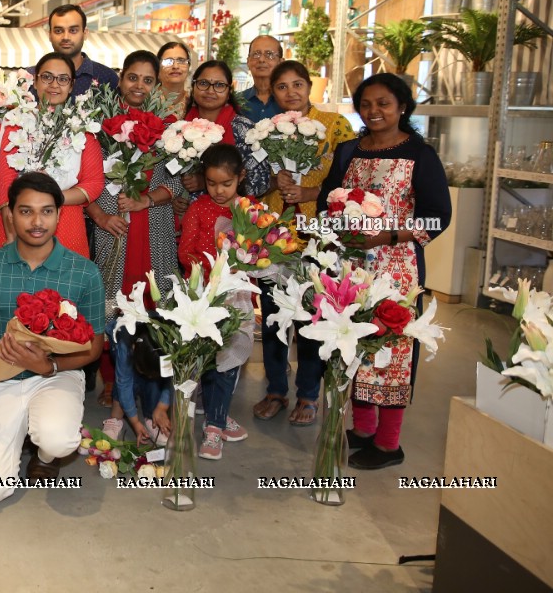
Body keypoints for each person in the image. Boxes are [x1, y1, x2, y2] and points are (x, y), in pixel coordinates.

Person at [319, 74, 451, 470]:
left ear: (403, 108)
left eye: (384, 104)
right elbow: (328, 199)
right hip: (351, 265)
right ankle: (362, 430)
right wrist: (334, 226)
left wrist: (387, 235)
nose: (374, 112)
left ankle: (389, 444)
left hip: (397, 268)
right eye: (366, 104)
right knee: (353, 344)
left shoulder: (420, 155)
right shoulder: (347, 151)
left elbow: (438, 216)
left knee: (391, 350)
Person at [0, 173, 105, 501]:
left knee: (59, 439)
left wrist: (50, 367)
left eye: (46, 211)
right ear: (10, 214)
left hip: (57, 375)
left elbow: (95, 346)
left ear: (60, 214)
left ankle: (45, 455)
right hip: (0, 379)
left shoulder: (84, 271)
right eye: (26, 211)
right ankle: (16, 435)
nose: (37, 221)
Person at [253, 60, 356, 427]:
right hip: (277, 233)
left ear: (310, 87)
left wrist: (311, 190)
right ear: (273, 92)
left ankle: (309, 393)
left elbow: (350, 182)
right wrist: (273, 181)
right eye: (282, 87)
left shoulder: (335, 127)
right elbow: (253, 185)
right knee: (275, 316)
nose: (291, 93)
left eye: (298, 84)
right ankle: (276, 388)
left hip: (319, 233)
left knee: (312, 315)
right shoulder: (268, 130)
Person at [87, 50, 181, 415]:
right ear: (120, 79)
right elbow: (85, 178)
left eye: (147, 79)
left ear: (156, 84)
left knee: (157, 305)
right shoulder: (99, 124)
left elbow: (179, 185)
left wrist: (148, 201)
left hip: (153, 226)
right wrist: (97, 215)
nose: (138, 85)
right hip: (112, 226)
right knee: (112, 300)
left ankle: (156, 380)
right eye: (132, 77)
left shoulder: (170, 126)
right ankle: (112, 381)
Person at [178, 143, 253, 460]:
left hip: (236, 298)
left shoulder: (251, 211)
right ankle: (213, 412)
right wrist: (212, 272)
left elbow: (259, 253)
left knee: (229, 362)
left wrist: (241, 267)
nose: (218, 191)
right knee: (204, 359)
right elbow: (185, 250)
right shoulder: (198, 208)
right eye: (211, 184)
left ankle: (214, 427)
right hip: (202, 295)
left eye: (226, 183)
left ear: (241, 177)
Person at [0, 53, 104, 259]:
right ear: (35, 80)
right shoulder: (17, 120)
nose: (54, 85)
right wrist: (11, 224)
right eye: (47, 77)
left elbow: (93, 184)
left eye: (63, 79)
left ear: (71, 85)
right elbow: (6, 179)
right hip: (17, 221)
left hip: (66, 224)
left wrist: (48, 199)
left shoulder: (82, 127)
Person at [180, 60, 271, 199]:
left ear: (229, 92)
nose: (210, 91)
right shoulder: (179, 129)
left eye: (219, 85)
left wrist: (209, 183)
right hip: (184, 216)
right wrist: (174, 198)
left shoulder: (245, 131)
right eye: (203, 83)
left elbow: (261, 182)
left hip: (233, 215)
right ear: (193, 87)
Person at [45, 3, 119, 99]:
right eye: (58, 31)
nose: (66, 37)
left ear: (85, 33)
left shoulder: (107, 78)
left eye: (73, 30)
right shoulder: (30, 77)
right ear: (50, 35)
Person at [238, 35, 285, 122]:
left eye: (269, 54)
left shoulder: (290, 100)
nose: (261, 59)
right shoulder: (236, 101)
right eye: (256, 54)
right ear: (248, 61)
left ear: (281, 62)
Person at [154, 41, 192, 118]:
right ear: (158, 68)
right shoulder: (148, 100)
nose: (175, 66)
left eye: (181, 60)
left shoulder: (194, 102)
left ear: (188, 67)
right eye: (168, 61)